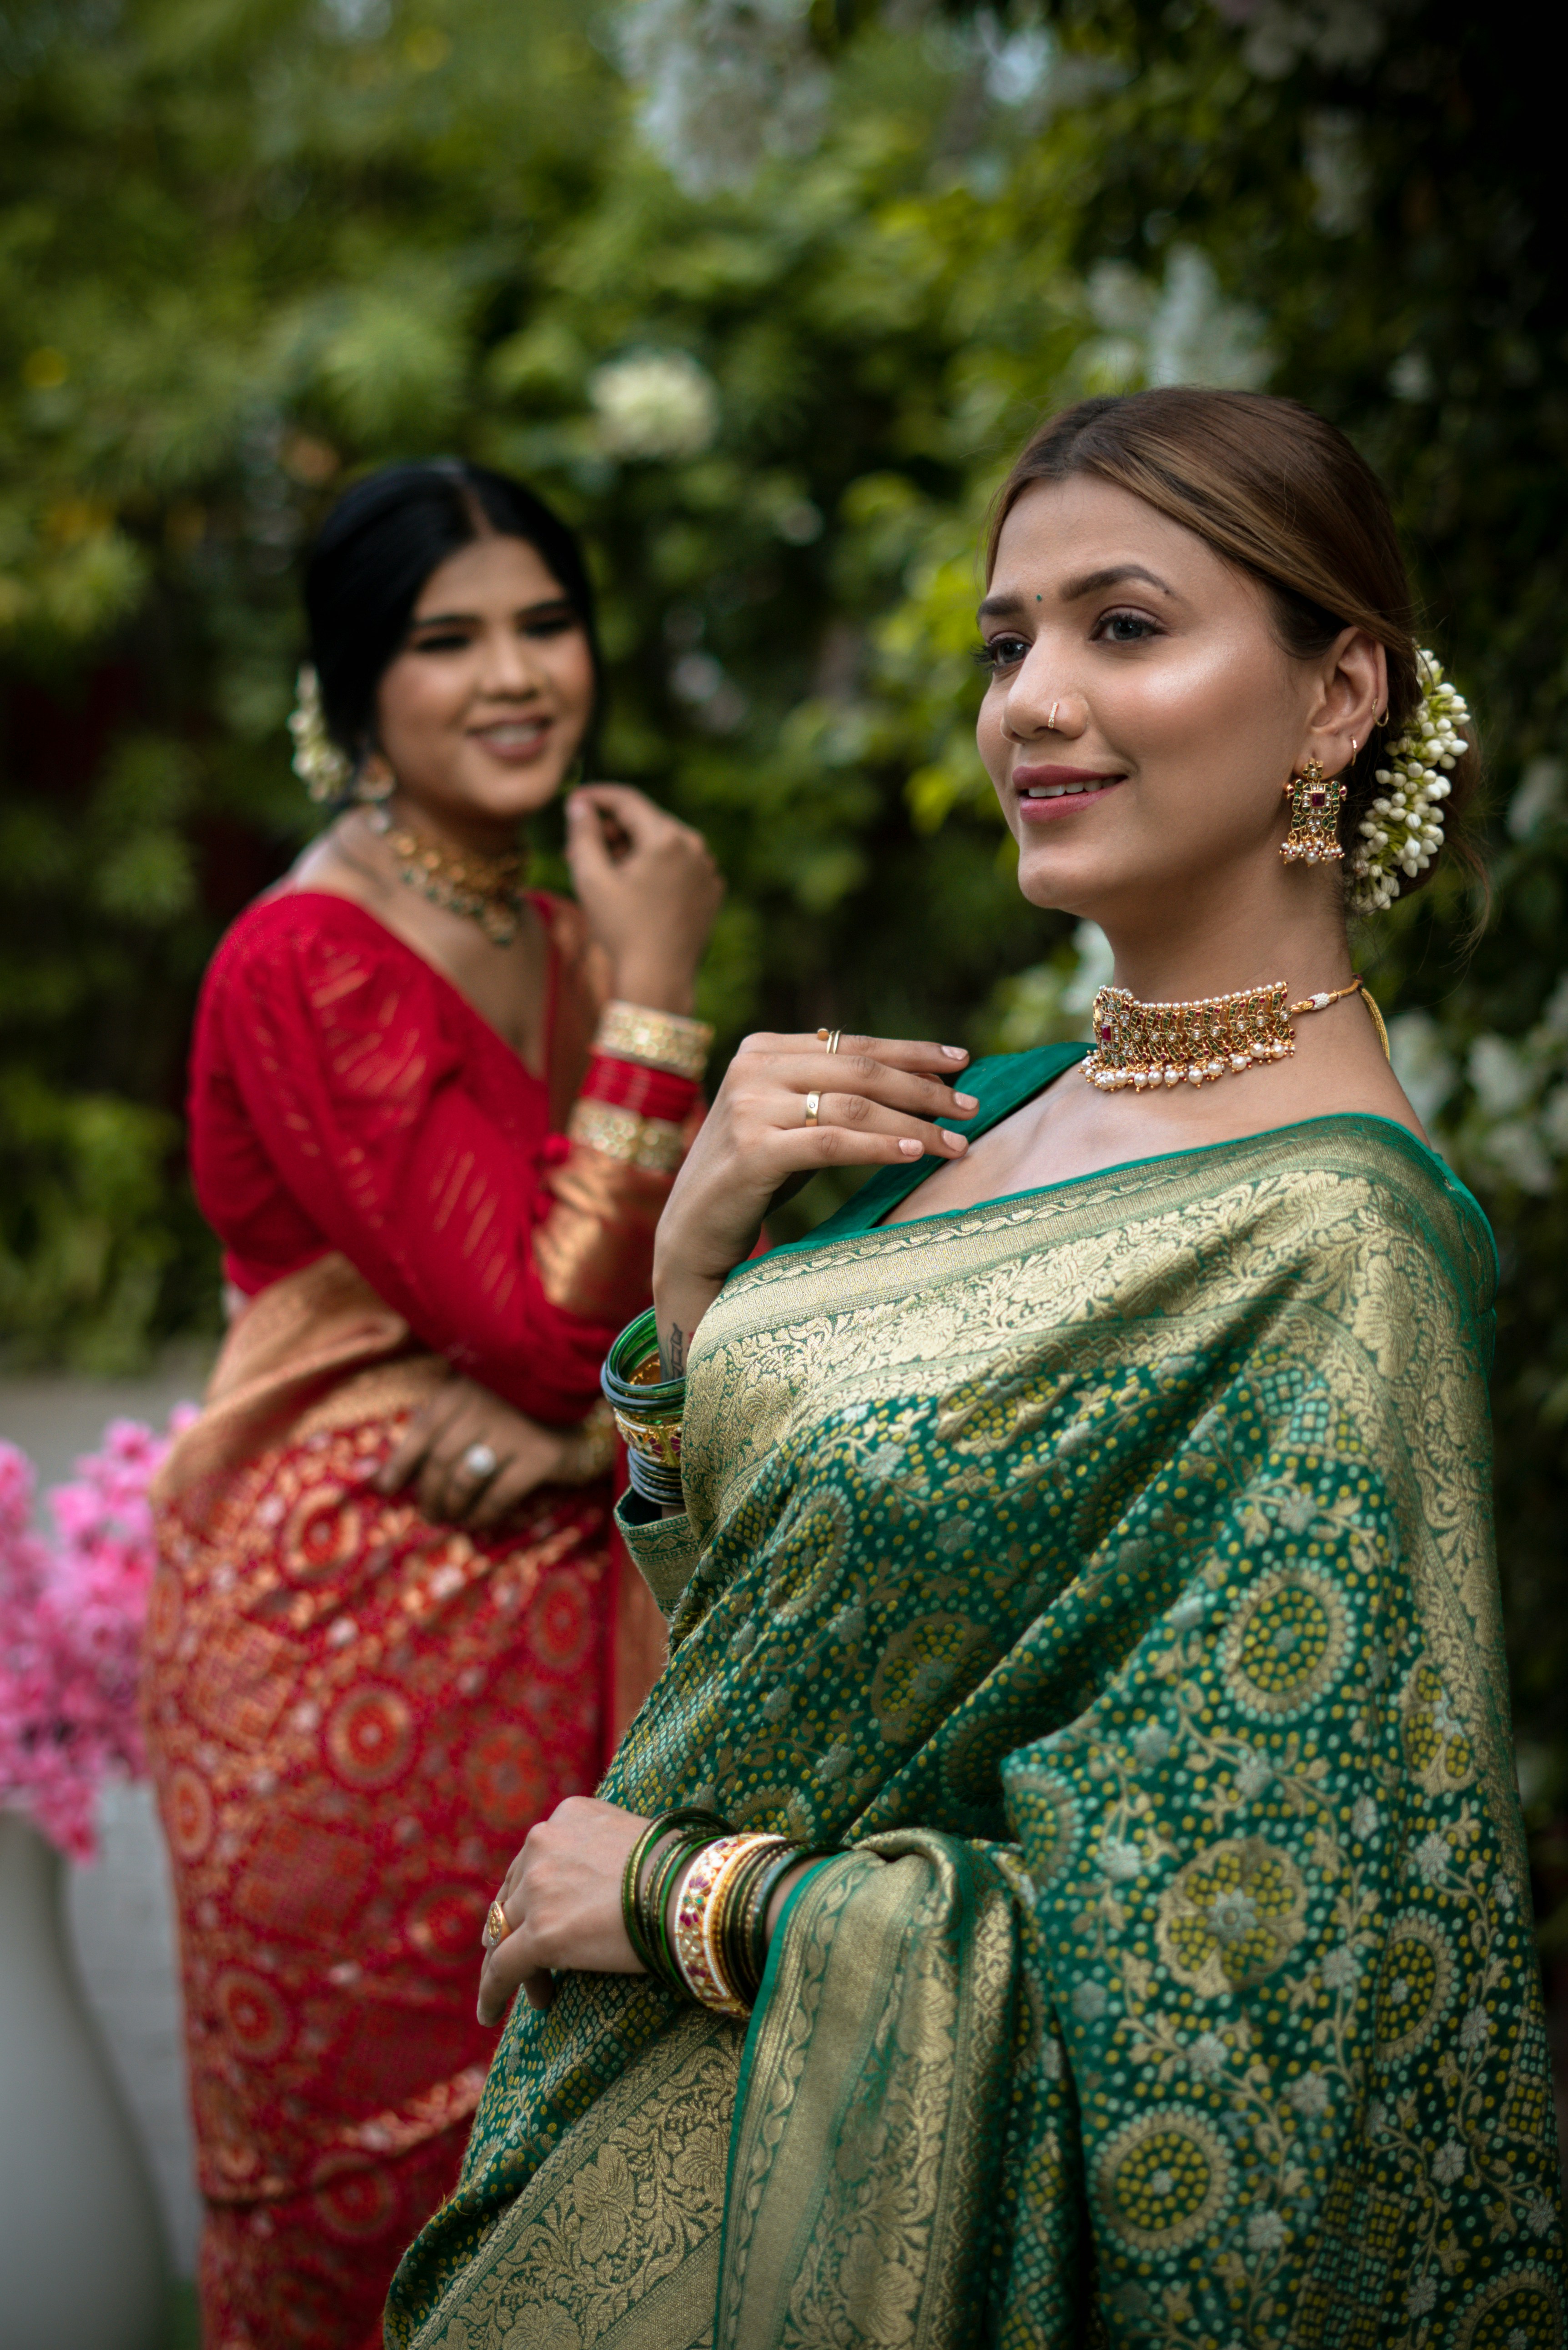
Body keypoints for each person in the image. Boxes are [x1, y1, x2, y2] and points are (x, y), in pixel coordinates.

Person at [386, 392, 1566, 2349]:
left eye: (1123, 626)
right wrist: (689, 1283)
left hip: (826, 2194)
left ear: (1339, 690)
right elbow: (812, 1633)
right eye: (1006, 643)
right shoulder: (988, 1114)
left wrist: (698, 1895)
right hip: (651, 2125)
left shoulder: (1334, 1253)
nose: (1030, 700)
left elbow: (1260, 1989)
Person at [143, 458, 723, 2350]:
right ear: (353, 687)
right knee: (374, 2217)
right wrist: (659, 997)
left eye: (542, 622)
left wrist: (581, 1435)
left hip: (560, 1601)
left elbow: (630, 1338)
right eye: (443, 637)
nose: (513, 674)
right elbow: (557, 1327)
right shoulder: (307, 958)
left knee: (587, 2197)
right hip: (344, 1644)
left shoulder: (557, 934)